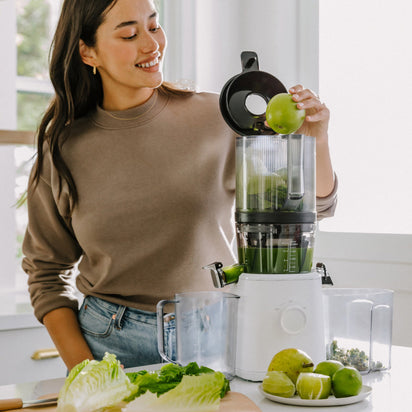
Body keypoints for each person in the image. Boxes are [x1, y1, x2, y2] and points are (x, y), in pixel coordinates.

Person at [22, 0, 337, 371]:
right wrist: (85, 371)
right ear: (87, 51)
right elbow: (45, 273)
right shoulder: (62, 149)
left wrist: (315, 140)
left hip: (215, 332)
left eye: (154, 26)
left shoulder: (217, 118)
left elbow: (312, 209)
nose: (151, 44)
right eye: (129, 33)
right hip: (111, 344)